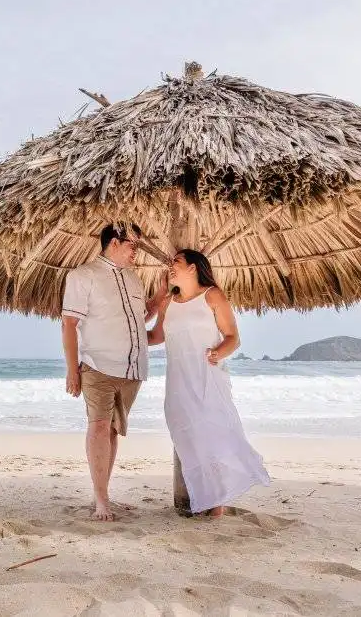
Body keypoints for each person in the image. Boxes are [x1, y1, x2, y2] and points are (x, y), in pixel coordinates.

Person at [148, 249, 269, 518]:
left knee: (212, 438)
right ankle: (203, 497)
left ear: (193, 267)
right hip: (178, 383)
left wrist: (218, 353)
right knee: (188, 440)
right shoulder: (168, 303)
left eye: (176, 262)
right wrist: (124, 335)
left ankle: (217, 505)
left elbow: (232, 337)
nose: (171, 267)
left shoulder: (212, 295)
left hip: (206, 379)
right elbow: (156, 336)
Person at [61, 222, 162, 521]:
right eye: (133, 245)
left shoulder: (133, 278)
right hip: (98, 366)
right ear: (114, 243)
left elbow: (143, 316)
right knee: (100, 426)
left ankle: (104, 492)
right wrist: (72, 371)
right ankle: (101, 500)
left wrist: (162, 295)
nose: (137, 251)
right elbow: (69, 324)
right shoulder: (82, 276)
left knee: (113, 431)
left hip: (133, 370)